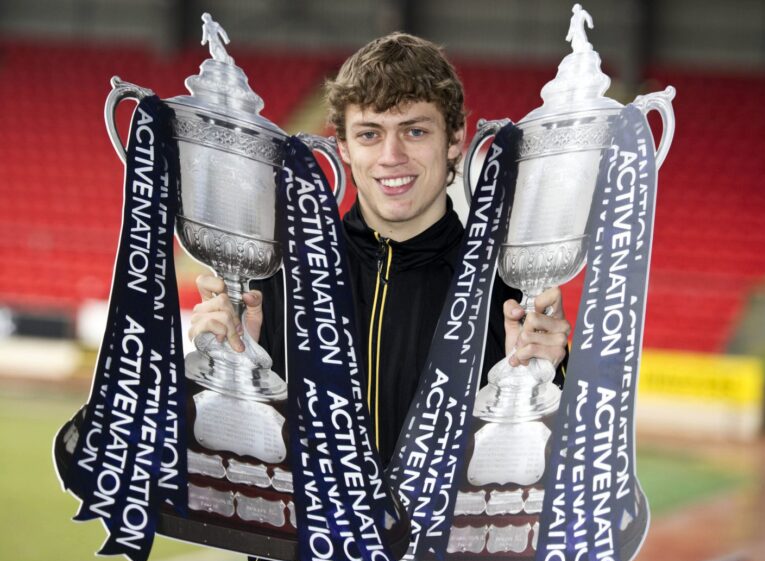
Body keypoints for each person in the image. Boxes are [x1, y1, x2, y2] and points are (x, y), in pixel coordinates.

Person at [189, 32, 570, 467]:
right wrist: (231, 368)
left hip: (445, 535)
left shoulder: (505, 288)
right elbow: (228, 460)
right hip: (319, 534)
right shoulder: (282, 278)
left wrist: (550, 373)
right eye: (370, 134)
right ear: (344, 149)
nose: (392, 156)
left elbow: (556, 473)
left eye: (415, 130)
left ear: (455, 140)